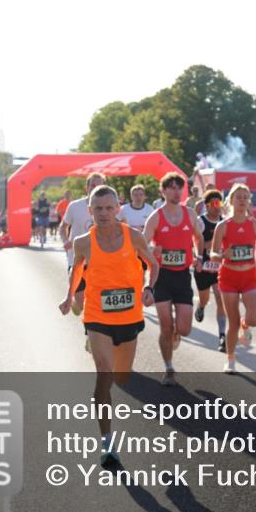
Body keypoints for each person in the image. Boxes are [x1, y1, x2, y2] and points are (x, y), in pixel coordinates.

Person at [59, 184, 158, 467]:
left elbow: (153, 263)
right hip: (97, 316)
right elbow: (77, 269)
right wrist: (68, 298)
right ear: (90, 211)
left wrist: (150, 288)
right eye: (97, 209)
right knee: (104, 375)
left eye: (108, 208)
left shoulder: (134, 236)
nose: (103, 213)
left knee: (121, 377)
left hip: (129, 317)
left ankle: (101, 349)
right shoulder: (83, 242)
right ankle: (107, 443)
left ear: (118, 209)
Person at [143, 172, 204, 386]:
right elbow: (143, 244)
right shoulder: (156, 216)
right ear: (163, 191)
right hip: (162, 275)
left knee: (184, 329)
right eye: (172, 188)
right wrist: (152, 248)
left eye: (179, 188)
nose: (176, 191)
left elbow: (199, 237)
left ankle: (178, 332)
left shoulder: (190, 214)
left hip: (182, 276)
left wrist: (199, 257)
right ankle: (169, 368)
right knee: (165, 325)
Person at [211, 183, 256, 374]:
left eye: (246, 197)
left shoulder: (254, 224)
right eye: (238, 197)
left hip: (248, 275)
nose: (243, 200)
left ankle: (246, 326)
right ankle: (230, 360)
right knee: (233, 323)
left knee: (254, 319)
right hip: (229, 277)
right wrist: (222, 256)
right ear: (231, 201)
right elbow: (212, 254)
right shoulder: (223, 226)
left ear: (249, 202)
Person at [61, 173, 108, 317]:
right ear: (87, 187)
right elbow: (63, 226)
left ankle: (91, 334)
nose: (96, 188)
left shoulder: (108, 207)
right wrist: (66, 241)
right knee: (81, 303)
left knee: (99, 302)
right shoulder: (75, 206)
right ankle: (77, 303)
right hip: (77, 259)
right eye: (93, 185)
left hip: (100, 260)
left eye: (99, 185)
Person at [193, 189, 228, 351]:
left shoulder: (225, 222)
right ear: (207, 206)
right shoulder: (200, 221)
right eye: (213, 204)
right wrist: (211, 245)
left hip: (219, 267)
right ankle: (201, 306)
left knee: (220, 298)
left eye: (219, 203)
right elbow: (196, 243)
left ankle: (222, 336)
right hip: (203, 265)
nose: (217, 207)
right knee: (205, 298)